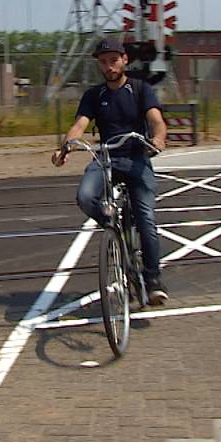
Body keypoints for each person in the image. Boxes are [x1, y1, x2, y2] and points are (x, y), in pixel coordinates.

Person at [51, 37, 170, 305]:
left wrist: (158, 139)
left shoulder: (141, 89)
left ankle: (153, 279)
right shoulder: (94, 95)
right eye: (103, 62)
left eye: (114, 60)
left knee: (146, 218)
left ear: (124, 60)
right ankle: (113, 229)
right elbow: (79, 126)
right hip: (106, 157)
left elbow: (156, 121)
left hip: (136, 158)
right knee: (85, 197)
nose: (109, 66)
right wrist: (64, 148)